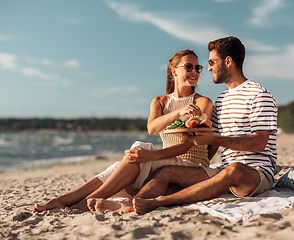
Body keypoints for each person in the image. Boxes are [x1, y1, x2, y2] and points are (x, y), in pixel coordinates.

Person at [33, 49, 213, 213]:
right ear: (174, 71)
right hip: (165, 159)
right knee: (120, 165)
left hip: (192, 164)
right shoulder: (160, 101)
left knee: (138, 152)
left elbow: (186, 146)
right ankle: (61, 200)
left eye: (198, 68)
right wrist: (178, 112)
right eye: (189, 67)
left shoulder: (202, 103)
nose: (194, 72)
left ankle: (84, 203)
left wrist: (148, 156)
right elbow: (152, 127)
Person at [119, 36, 277, 214]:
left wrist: (216, 138)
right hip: (222, 170)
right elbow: (213, 142)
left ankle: (161, 202)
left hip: (257, 174)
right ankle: (132, 203)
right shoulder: (221, 99)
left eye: (212, 62)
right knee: (166, 172)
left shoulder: (258, 95)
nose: (208, 68)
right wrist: (201, 158)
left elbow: (259, 143)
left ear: (228, 61)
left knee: (235, 169)